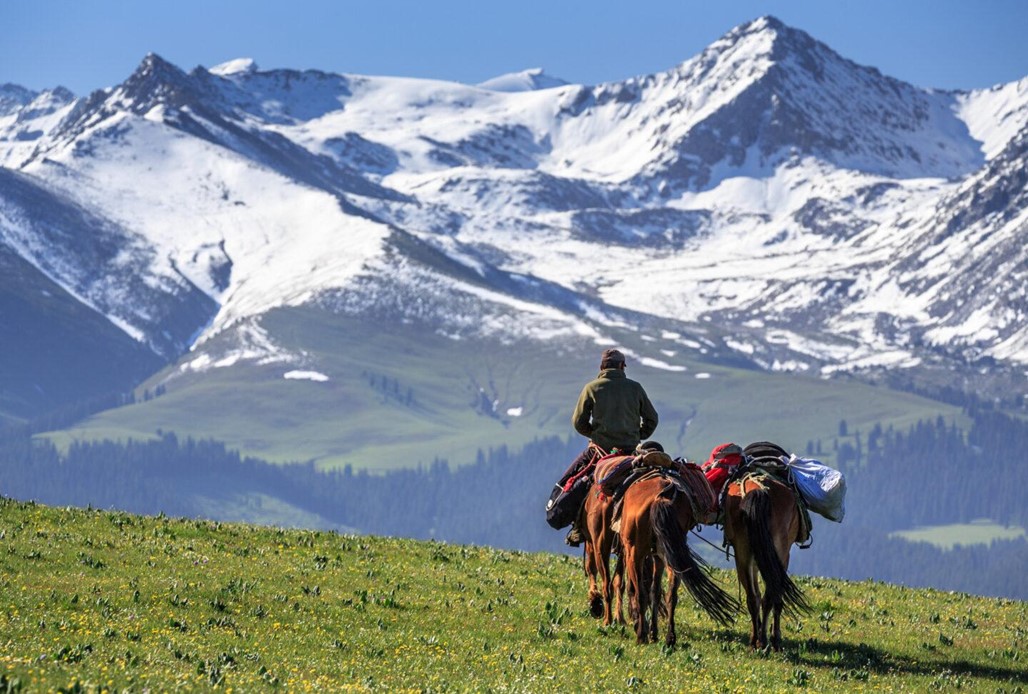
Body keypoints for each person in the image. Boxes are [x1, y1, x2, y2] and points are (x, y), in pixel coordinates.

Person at [561, 348, 659, 546]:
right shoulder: (635, 388)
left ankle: (578, 526)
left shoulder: (592, 388)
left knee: (573, 481)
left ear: (601, 367)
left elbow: (578, 422)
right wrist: (636, 435)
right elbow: (652, 419)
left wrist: (596, 434)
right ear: (623, 367)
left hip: (600, 451)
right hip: (632, 451)